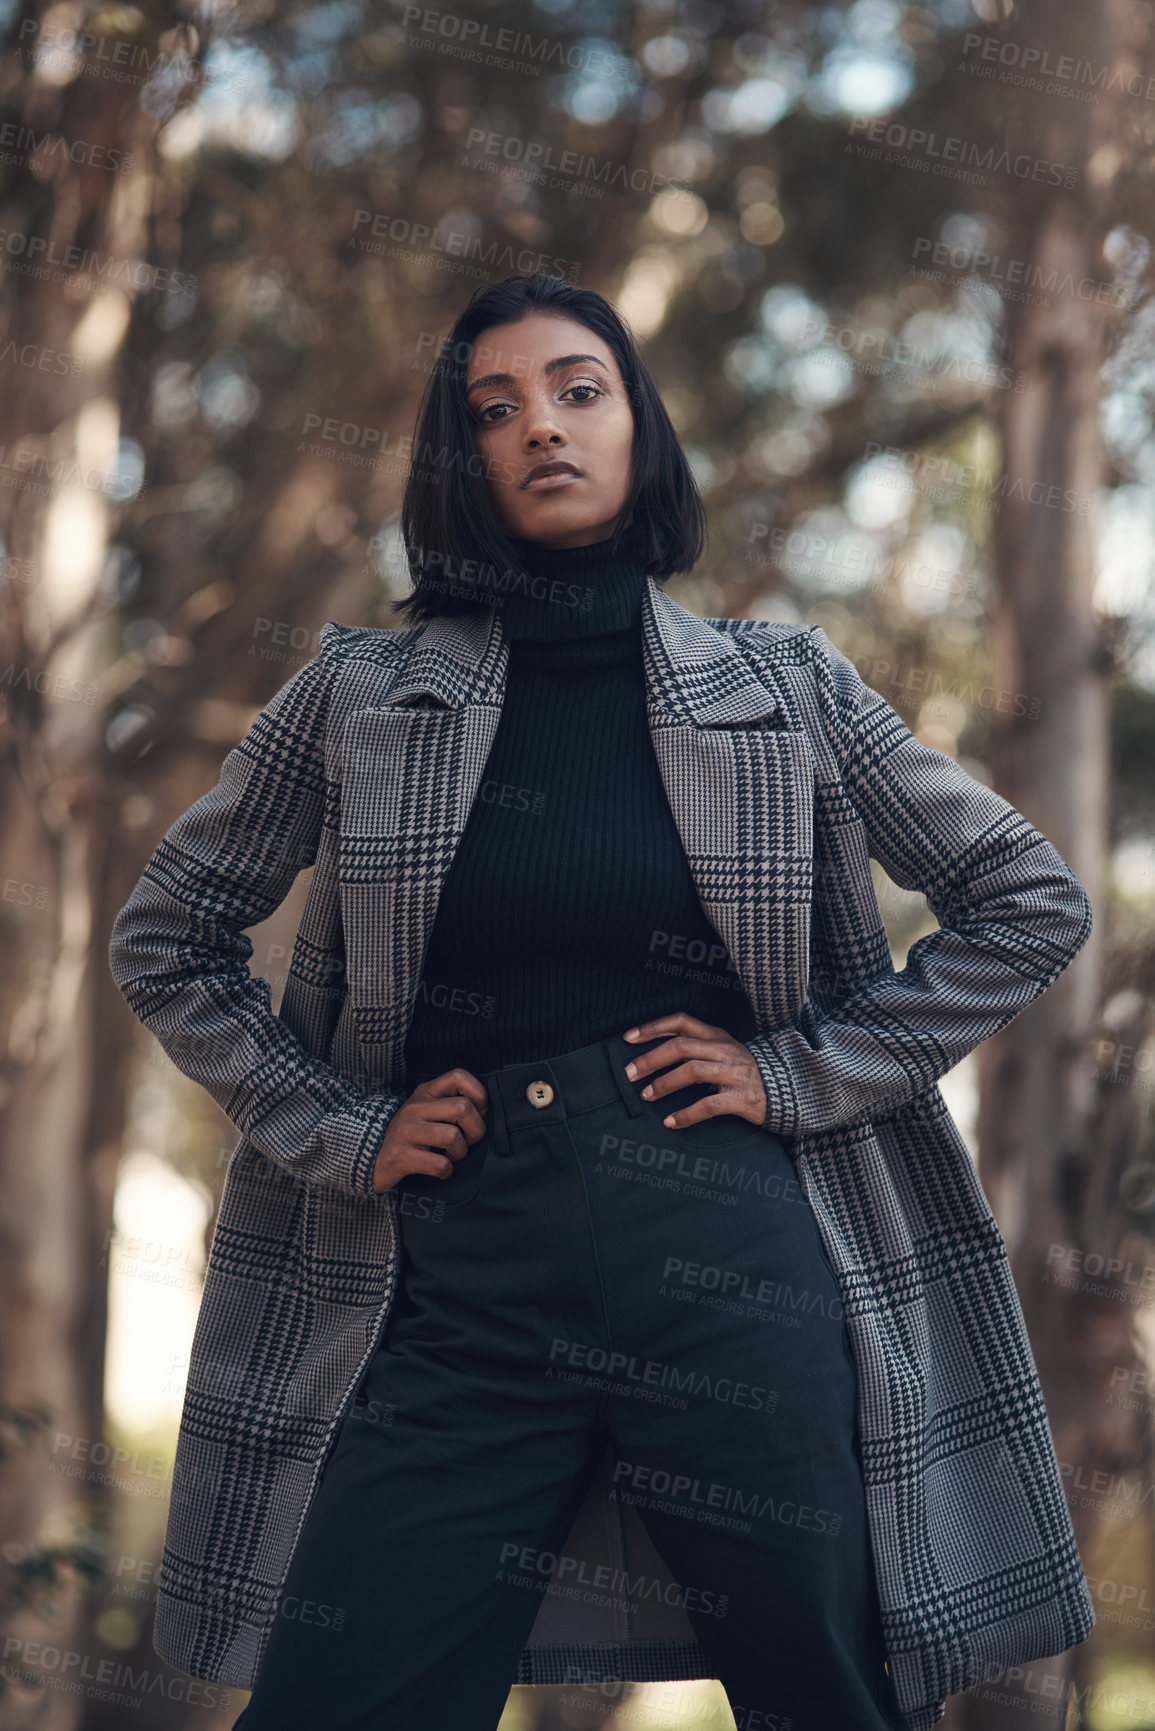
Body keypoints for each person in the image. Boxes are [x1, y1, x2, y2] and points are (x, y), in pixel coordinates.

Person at [108, 271, 1094, 1731]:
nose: (540, 430)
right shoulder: (358, 696)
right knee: (338, 1691)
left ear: (639, 427)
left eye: (580, 390)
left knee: (824, 1691)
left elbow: (1030, 899)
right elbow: (168, 935)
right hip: (455, 1272)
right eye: (493, 410)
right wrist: (339, 1126)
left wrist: (801, 1073)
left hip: (737, 1255)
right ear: (463, 461)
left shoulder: (789, 688)